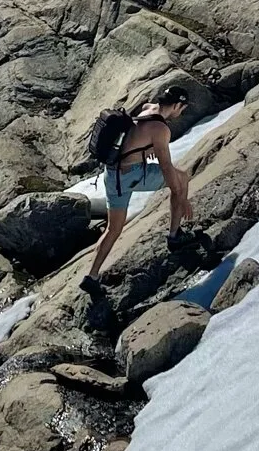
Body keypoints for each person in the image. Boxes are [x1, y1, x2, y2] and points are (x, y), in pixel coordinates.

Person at [81, 85, 192, 295]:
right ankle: (174, 235)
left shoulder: (147, 109)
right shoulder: (161, 129)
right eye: (182, 108)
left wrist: (145, 150)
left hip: (112, 174)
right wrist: (181, 195)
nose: (181, 112)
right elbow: (166, 167)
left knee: (113, 229)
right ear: (177, 105)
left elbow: (134, 138)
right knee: (182, 178)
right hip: (131, 176)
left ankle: (91, 276)